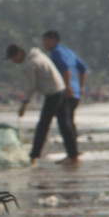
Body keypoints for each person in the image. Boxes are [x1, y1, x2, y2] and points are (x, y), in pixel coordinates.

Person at [6, 43, 73, 163]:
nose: (13, 61)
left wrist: (24, 104)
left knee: (43, 126)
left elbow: (32, 86)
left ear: (19, 54)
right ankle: (73, 155)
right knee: (65, 125)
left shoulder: (30, 64)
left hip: (53, 93)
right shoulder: (39, 55)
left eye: (13, 58)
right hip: (61, 90)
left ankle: (34, 157)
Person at [42, 31, 88, 163]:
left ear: (53, 40)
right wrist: (82, 87)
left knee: (64, 123)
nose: (44, 44)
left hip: (66, 92)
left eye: (45, 41)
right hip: (76, 93)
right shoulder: (68, 51)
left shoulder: (56, 52)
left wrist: (67, 87)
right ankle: (74, 153)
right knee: (70, 123)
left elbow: (66, 69)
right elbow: (83, 69)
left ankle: (72, 156)